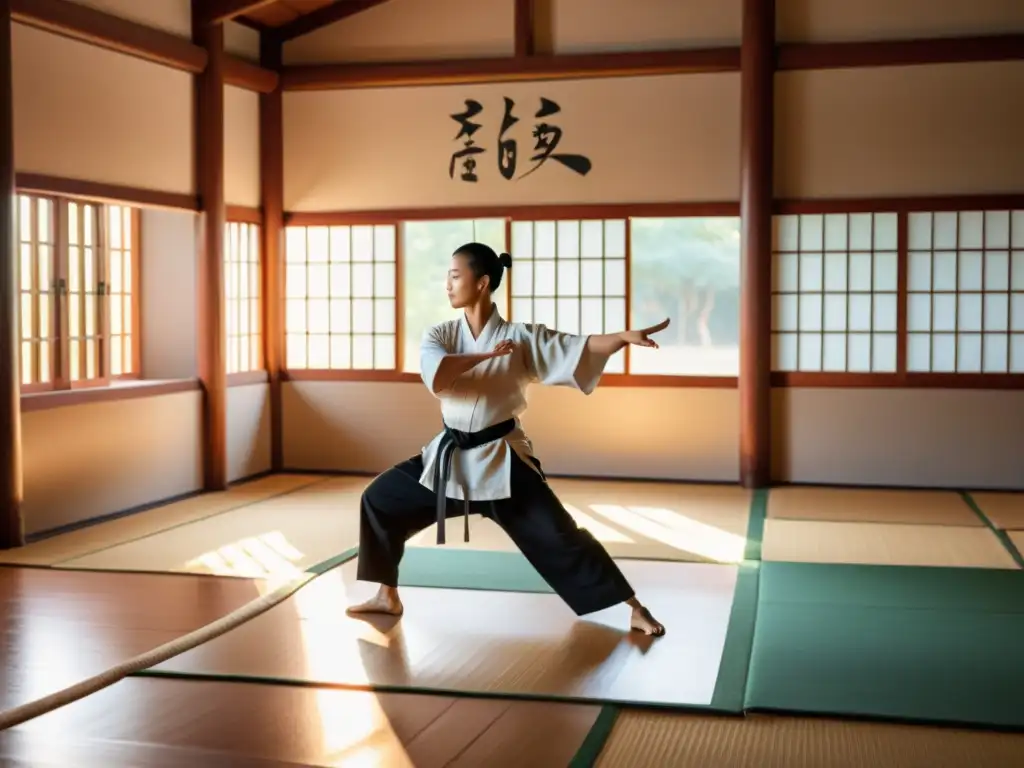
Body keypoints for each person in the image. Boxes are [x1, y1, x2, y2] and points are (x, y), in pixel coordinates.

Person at [346, 242, 670, 636]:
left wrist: (620, 337)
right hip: (450, 457)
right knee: (380, 499)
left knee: (562, 537)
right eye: (447, 275)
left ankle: (634, 608)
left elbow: (575, 347)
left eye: (455, 275)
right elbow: (440, 376)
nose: (447, 284)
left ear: (482, 283)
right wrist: (484, 358)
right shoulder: (442, 334)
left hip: (504, 461)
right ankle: (387, 595)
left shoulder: (520, 337)